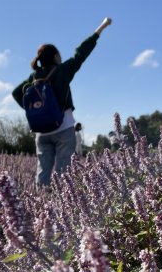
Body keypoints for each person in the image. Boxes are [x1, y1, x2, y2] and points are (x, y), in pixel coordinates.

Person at [12, 17, 112, 186]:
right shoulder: (62, 70)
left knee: (43, 172)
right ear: (55, 56)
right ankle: (61, 208)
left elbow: (16, 93)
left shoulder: (34, 77)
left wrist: (34, 110)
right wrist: (100, 29)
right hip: (63, 127)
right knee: (64, 173)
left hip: (41, 132)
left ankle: (40, 208)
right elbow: (81, 53)